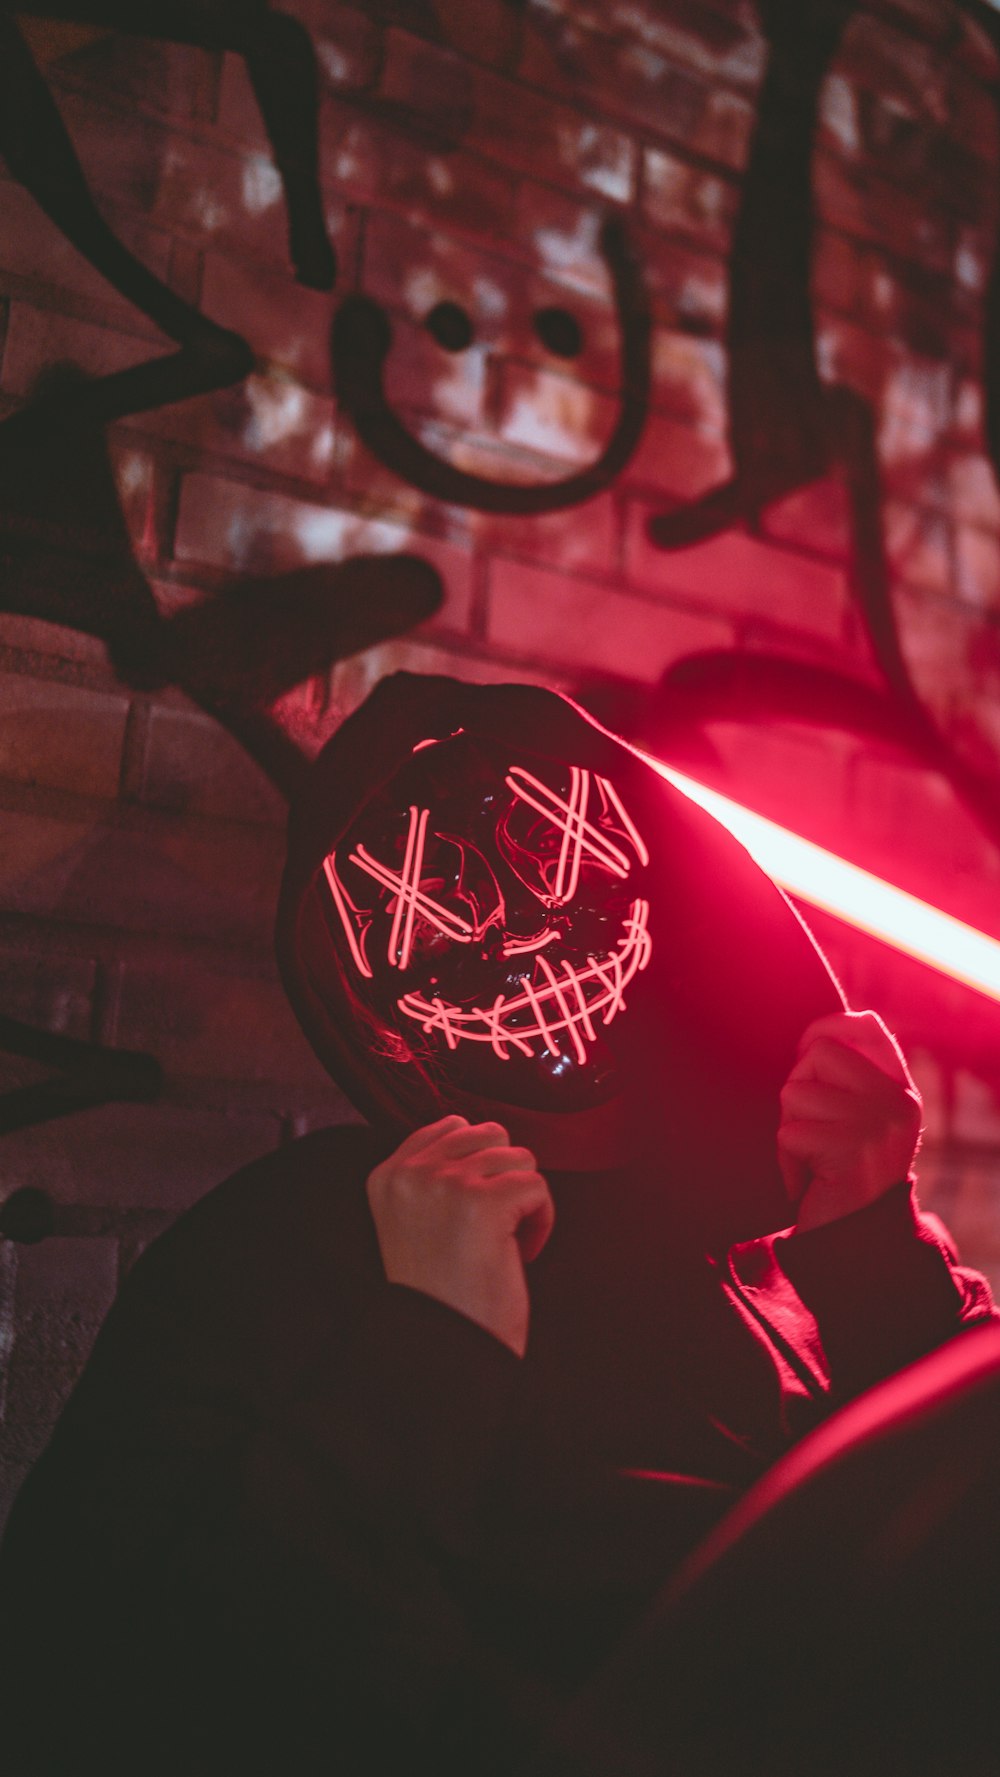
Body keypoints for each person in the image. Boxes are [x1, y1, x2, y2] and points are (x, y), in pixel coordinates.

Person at [0, 673, 992, 1776]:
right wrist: (427, 1343)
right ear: (362, 984)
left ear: (651, 869)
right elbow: (88, 1684)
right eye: (436, 897)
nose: (520, 930)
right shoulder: (295, 1244)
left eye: (541, 848)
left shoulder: (790, 1240)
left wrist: (875, 1243)